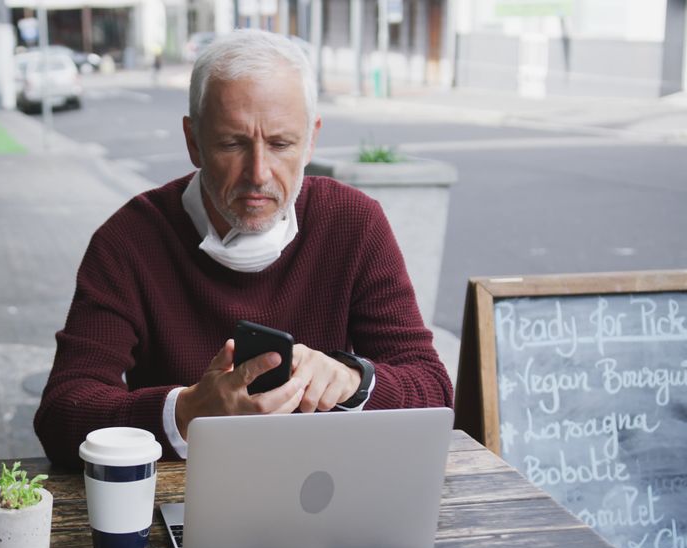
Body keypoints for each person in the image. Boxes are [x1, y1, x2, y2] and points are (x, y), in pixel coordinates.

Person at [34, 29, 452, 468]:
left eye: (281, 144)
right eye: (232, 143)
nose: (259, 173)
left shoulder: (354, 223)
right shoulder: (128, 242)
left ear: (312, 141)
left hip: (323, 489)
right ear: (193, 141)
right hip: (184, 498)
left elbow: (435, 390)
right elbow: (62, 413)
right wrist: (186, 411)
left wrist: (352, 380)